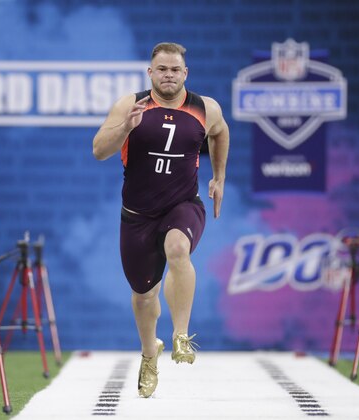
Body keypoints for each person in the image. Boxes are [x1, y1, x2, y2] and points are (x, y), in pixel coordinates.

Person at [92, 42, 230, 398]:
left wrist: (219, 176)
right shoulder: (131, 104)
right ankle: (149, 353)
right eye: (162, 69)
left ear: (186, 73)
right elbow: (98, 151)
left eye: (175, 70)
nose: (169, 75)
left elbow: (221, 132)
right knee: (142, 297)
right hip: (137, 215)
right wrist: (125, 127)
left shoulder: (205, 108)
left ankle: (181, 335)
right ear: (150, 73)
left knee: (178, 248)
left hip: (183, 205)